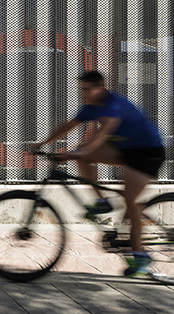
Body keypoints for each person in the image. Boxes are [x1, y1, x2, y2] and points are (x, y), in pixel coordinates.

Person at [34, 70, 166, 278]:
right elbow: (68, 126)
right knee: (84, 158)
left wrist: (78, 152)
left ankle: (141, 256)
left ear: (101, 89)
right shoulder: (91, 107)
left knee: (130, 200)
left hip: (148, 152)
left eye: (88, 89)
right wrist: (43, 142)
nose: (84, 93)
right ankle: (102, 202)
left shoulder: (114, 105)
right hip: (125, 150)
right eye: (82, 89)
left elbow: (103, 133)